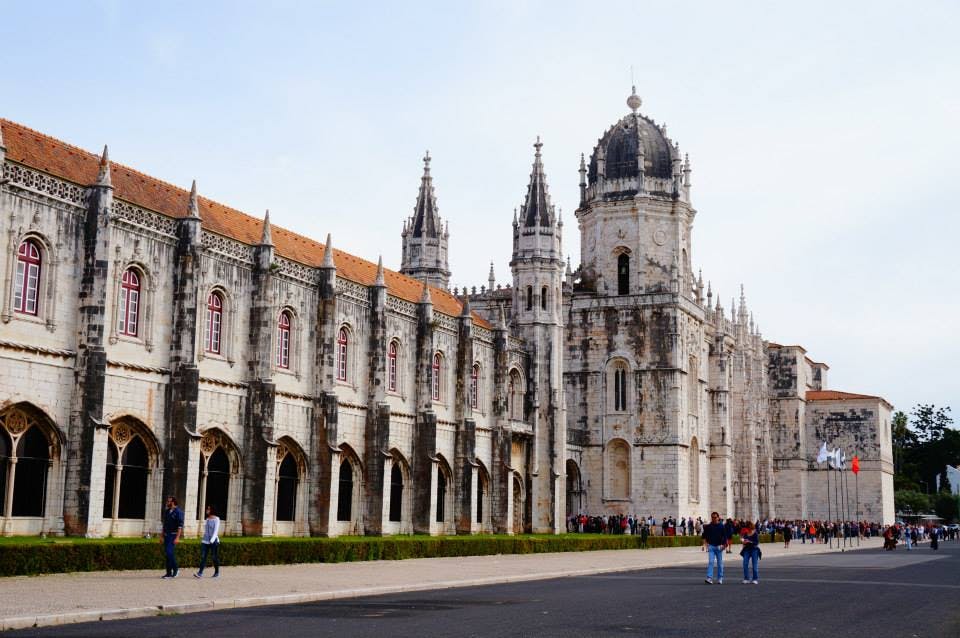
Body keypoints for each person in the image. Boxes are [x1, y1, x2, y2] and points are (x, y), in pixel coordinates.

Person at [195, 504, 221, 578]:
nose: (207, 510)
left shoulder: (217, 519)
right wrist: (203, 540)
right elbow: (206, 531)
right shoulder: (207, 519)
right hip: (205, 540)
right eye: (207, 509)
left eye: (208, 509)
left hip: (213, 541)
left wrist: (212, 540)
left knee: (214, 557)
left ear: (212, 510)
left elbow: (215, 531)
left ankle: (217, 572)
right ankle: (200, 573)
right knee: (203, 557)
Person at [161, 495, 184, 579]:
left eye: (169, 501)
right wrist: (162, 536)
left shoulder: (179, 512)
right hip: (167, 535)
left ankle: (176, 569)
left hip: (173, 535)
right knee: (167, 554)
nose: (167, 502)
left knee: (169, 552)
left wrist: (177, 537)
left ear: (173, 502)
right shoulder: (167, 511)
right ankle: (168, 573)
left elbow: (180, 526)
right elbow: (164, 525)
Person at [701, 511, 727, 584]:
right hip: (711, 546)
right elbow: (704, 536)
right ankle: (709, 578)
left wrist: (724, 546)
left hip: (719, 547)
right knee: (711, 562)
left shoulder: (721, 526)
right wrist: (704, 545)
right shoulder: (708, 526)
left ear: (718, 518)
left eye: (715, 517)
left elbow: (725, 537)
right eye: (712, 517)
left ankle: (720, 578)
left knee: (720, 563)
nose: (714, 519)